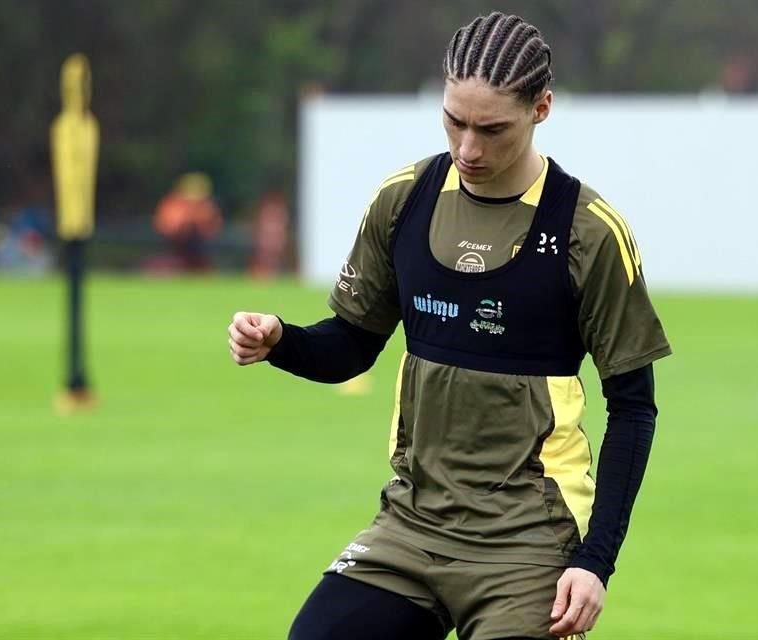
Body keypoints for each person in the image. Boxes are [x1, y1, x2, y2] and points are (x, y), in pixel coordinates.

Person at [228, 12, 671, 640]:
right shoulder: (404, 200)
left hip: (528, 543)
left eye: (491, 129)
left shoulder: (588, 232)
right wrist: (281, 340)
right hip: (411, 527)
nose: (468, 148)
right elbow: (352, 345)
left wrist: (594, 562)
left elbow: (633, 408)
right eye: (454, 121)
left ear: (541, 108)